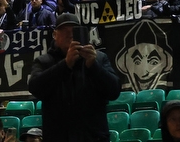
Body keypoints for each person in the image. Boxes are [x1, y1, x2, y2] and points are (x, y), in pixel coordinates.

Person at [28, 12, 121, 142]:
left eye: (75, 30)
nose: (70, 34)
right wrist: (65, 65)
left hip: (93, 136)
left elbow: (114, 91)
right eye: (64, 31)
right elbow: (35, 88)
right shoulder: (43, 61)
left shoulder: (98, 58)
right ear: (55, 35)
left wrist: (94, 67)